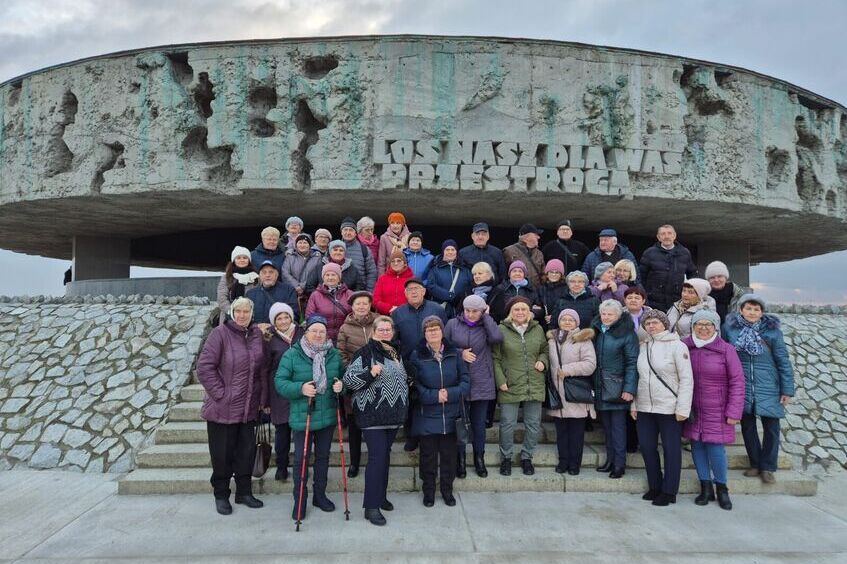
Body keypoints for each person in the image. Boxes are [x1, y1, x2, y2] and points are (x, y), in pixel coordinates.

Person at [197, 297, 267, 515]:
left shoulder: (256, 335)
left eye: (246, 311)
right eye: (238, 311)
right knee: (222, 454)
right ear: (232, 312)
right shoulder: (220, 334)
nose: (242, 315)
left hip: (249, 408)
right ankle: (221, 494)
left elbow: (261, 371)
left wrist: (262, 401)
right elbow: (205, 367)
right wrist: (221, 394)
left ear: (252, 313)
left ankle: (244, 492)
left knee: (245, 452)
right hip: (222, 409)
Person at [275, 316, 344, 521]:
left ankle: (320, 496)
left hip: (327, 415)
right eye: (314, 330)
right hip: (302, 415)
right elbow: (280, 382)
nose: (318, 334)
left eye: (322, 331)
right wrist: (300, 388)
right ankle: (300, 500)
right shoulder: (292, 355)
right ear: (305, 333)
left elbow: (343, 377)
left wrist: (342, 386)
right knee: (301, 459)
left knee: (322, 458)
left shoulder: (334, 355)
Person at [342, 315, 409, 526]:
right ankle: (371, 506)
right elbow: (349, 381)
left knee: (384, 458)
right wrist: (370, 373)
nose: (385, 332)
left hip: (393, 415)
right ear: (374, 331)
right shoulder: (365, 353)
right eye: (381, 329)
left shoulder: (394, 352)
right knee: (377, 459)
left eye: (388, 329)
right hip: (372, 415)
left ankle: (380, 496)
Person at [723, 294, 795, 484]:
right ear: (741, 310)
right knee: (747, 426)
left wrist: (787, 389)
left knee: (771, 428)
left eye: (756, 309)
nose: (752, 312)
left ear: (762, 312)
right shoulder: (730, 330)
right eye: (748, 308)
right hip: (743, 385)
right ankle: (755, 463)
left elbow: (783, 361)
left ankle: (768, 467)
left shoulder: (772, 332)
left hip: (769, 385)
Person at [683, 309, 745, 510]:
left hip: (718, 407)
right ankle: (705, 486)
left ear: (715, 327)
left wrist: (734, 412)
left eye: (707, 324)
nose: (703, 328)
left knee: (716, 449)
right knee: (697, 446)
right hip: (693, 407)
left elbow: (737, 382)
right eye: (698, 324)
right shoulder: (685, 346)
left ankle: (722, 488)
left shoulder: (726, 350)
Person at [632, 310, 694, 506]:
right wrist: (634, 404)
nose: (651, 326)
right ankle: (655, 486)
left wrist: (683, 408)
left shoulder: (677, 346)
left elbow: (686, 379)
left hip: (669, 407)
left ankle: (669, 490)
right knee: (648, 448)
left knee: (671, 449)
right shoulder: (643, 347)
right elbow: (639, 378)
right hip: (645, 407)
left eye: (655, 322)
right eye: (647, 323)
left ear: (665, 324)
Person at [410, 316, 470, 507]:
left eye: (436, 329)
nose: (433, 332)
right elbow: (415, 386)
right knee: (427, 458)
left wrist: (449, 393)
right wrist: (434, 396)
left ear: (442, 331)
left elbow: (466, 382)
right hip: (427, 415)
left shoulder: (454, 354)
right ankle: (428, 491)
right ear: (424, 334)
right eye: (429, 330)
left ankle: (447, 490)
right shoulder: (417, 355)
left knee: (449, 458)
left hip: (452, 415)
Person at [444, 294, 504, 478]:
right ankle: (460, 460)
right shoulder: (453, 324)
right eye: (468, 310)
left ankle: (479, 459)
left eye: (475, 311)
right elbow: (444, 345)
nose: (470, 314)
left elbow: (497, 338)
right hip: (458, 380)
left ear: (481, 311)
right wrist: (460, 353)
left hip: (482, 381)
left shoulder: (486, 324)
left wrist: (486, 317)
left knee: (478, 424)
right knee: (461, 423)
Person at [493, 296, 549, 476]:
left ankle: (527, 457)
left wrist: (542, 361)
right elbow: (495, 357)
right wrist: (500, 380)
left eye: (524, 309)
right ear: (510, 312)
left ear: (529, 312)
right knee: (507, 424)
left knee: (533, 424)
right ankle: (506, 459)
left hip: (534, 382)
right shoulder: (501, 329)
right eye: (516, 309)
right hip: (510, 384)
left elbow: (545, 350)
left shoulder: (537, 328)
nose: (520, 312)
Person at [391, 278, 448, 451]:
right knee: (411, 402)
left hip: (433, 362)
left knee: (432, 400)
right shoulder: (397, 313)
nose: (413, 292)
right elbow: (394, 340)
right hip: (408, 366)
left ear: (424, 291)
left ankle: (431, 436)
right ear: (405, 294)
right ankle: (412, 437)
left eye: (416, 288)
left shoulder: (437, 309)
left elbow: (445, 335)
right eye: (409, 290)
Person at [591, 299, 639, 479]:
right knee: (607, 428)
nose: (606, 317)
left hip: (617, 387)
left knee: (618, 428)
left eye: (610, 314)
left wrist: (629, 389)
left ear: (618, 315)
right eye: (603, 313)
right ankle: (610, 461)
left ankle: (619, 464)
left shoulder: (627, 333)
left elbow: (632, 363)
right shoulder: (597, 330)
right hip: (601, 385)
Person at [546, 309, 596, 475]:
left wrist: (567, 370)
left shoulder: (583, 340)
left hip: (575, 394)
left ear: (577, 323)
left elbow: (590, 365)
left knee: (576, 433)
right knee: (561, 433)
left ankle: (574, 464)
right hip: (558, 394)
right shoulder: (552, 340)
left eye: (571, 320)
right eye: (564, 319)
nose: (567, 322)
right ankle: (563, 462)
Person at [336, 291, 376, 478]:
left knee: (375, 424)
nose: (361, 307)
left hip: (378, 381)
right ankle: (354, 462)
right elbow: (341, 354)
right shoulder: (345, 328)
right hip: (355, 382)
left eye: (365, 304)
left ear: (369, 305)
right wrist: (356, 373)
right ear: (352, 306)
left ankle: (378, 458)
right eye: (358, 304)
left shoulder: (378, 322)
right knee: (354, 426)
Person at [265, 302, 302, 482]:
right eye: (279, 318)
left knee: (301, 433)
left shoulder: (302, 334)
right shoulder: (268, 338)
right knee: (282, 431)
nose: (283, 320)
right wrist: (265, 399)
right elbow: (264, 368)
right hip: (278, 390)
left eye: (286, 316)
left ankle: (300, 466)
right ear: (274, 321)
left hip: (300, 388)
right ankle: (281, 466)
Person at [639, 224, 697, 312]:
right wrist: (646, 295)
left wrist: (689, 291)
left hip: (677, 302)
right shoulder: (649, 253)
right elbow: (641, 276)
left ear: (674, 236)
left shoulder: (684, 253)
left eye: (669, 233)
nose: (666, 236)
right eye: (663, 234)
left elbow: (692, 273)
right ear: (658, 237)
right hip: (653, 302)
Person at [305, 263, 353, 343]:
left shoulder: (349, 294)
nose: (330, 278)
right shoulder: (315, 295)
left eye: (333, 275)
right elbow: (310, 317)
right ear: (323, 277)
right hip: (323, 339)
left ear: (339, 277)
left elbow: (354, 316)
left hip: (346, 338)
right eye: (327, 275)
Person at [245, 261, 299, 331]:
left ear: (277, 275)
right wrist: (256, 326)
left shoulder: (288, 290)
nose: (267, 275)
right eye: (264, 272)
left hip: (280, 333)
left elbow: (294, 314)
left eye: (271, 272)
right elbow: (245, 316)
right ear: (259, 276)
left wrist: (274, 326)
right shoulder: (250, 294)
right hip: (257, 332)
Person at [426, 239, 472, 318]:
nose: (450, 252)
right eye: (447, 249)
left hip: (461, 308)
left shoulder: (465, 269)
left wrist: (461, 297)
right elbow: (431, 286)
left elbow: (471, 285)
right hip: (442, 308)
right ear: (443, 251)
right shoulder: (435, 269)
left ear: (456, 252)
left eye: (452, 249)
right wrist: (450, 296)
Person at [216, 246, 259, 325]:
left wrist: (248, 313)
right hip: (229, 317)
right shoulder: (226, 277)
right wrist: (233, 312)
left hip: (251, 318)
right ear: (234, 260)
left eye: (245, 258)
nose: (242, 260)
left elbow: (259, 298)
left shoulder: (256, 277)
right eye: (238, 258)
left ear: (249, 260)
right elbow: (222, 298)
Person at [280, 234, 322, 312]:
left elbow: (317, 275)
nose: (302, 245)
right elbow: (285, 273)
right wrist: (296, 286)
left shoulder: (317, 258)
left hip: (310, 293)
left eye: (305, 243)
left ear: (309, 245)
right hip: (293, 293)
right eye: (300, 242)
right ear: (296, 245)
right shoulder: (290, 257)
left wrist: (303, 286)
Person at [340, 216, 378, 291]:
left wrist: (368, 293)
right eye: (345, 230)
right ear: (341, 232)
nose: (348, 233)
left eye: (351, 230)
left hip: (359, 292)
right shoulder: (334, 248)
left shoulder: (364, 249)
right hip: (339, 293)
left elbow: (371, 272)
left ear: (355, 233)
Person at [373, 249, 415, 315]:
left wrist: (401, 310)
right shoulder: (382, 279)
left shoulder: (412, 279)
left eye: (399, 261)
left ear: (404, 263)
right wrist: (390, 309)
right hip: (385, 316)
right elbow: (375, 300)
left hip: (407, 315)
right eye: (393, 261)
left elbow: (416, 299)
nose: (396, 263)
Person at [539, 259, 569, 328]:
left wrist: (554, 317)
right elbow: (539, 305)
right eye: (551, 272)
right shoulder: (541, 289)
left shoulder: (566, 289)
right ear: (547, 274)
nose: (554, 274)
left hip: (561, 324)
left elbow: (567, 305)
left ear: (561, 275)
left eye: (557, 272)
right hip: (545, 324)